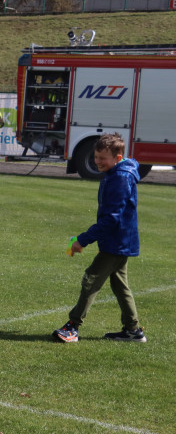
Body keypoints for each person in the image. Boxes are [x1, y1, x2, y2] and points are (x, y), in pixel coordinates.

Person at [53, 134, 146, 343]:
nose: (97, 162)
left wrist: (82, 240)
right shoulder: (117, 173)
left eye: (102, 158)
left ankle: (72, 327)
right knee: (120, 285)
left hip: (117, 241)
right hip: (119, 240)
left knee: (90, 280)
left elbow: (111, 219)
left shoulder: (120, 178)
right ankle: (133, 330)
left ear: (118, 157)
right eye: (96, 157)